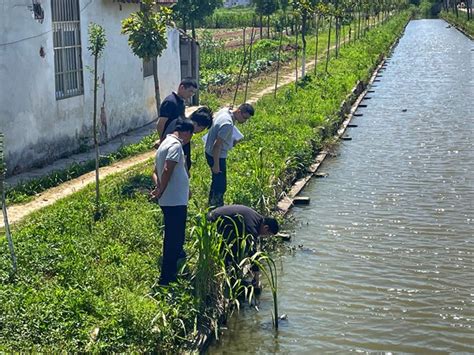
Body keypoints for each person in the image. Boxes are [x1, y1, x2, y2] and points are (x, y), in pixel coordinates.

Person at [152, 118, 194, 286]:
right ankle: (166, 278)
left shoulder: (164, 144)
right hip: (174, 200)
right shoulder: (176, 145)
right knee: (174, 240)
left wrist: (158, 187)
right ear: (187, 132)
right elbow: (167, 169)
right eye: (191, 135)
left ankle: (172, 274)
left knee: (173, 238)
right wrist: (161, 189)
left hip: (172, 199)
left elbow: (155, 172)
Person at [208, 204, 279, 287]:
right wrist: (256, 274)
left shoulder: (257, 219)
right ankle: (228, 277)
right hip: (213, 220)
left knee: (236, 245)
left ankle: (231, 273)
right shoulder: (251, 227)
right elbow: (252, 253)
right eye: (267, 235)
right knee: (232, 248)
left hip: (219, 217)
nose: (265, 236)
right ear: (266, 228)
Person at [205, 103, 255, 208]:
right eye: (244, 118)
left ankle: (211, 205)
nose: (244, 121)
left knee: (216, 181)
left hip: (210, 151)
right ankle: (216, 208)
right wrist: (216, 164)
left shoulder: (225, 112)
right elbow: (217, 145)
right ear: (239, 112)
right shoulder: (227, 124)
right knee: (220, 185)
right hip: (216, 155)